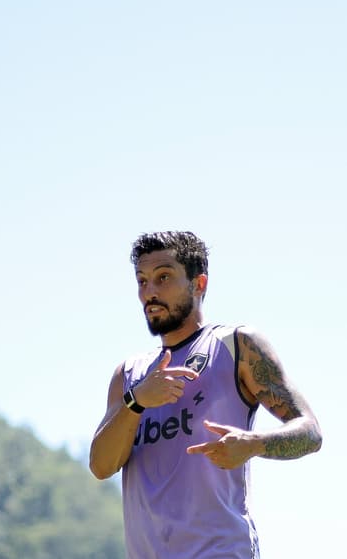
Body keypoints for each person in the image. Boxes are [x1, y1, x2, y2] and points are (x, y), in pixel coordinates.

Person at [89, 231, 322, 559]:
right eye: (142, 281)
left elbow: (310, 431)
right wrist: (137, 400)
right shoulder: (128, 374)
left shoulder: (235, 345)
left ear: (199, 284)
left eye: (164, 277)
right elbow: (101, 466)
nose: (149, 292)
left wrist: (253, 444)